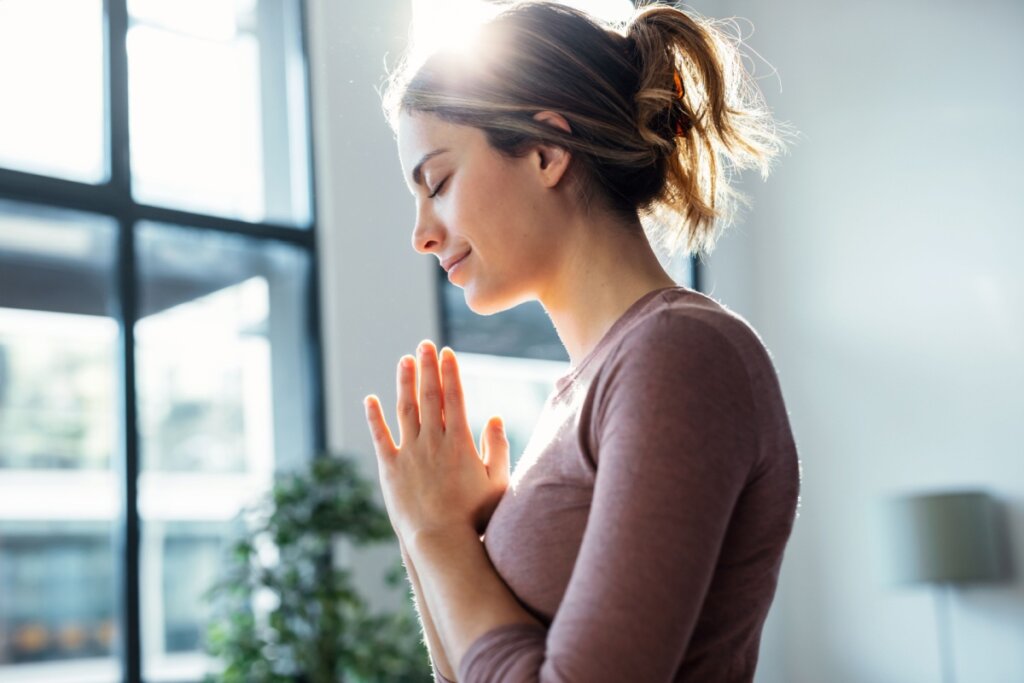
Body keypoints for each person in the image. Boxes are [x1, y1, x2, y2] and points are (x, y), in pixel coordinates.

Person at [361, 2, 801, 681]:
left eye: (439, 183)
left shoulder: (680, 354)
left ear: (546, 150)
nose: (421, 233)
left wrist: (437, 536)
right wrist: (431, 531)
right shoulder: (585, 391)